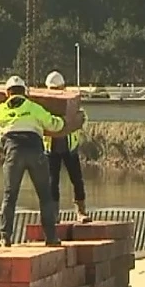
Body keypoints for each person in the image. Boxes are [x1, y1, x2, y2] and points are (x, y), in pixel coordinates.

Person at [0, 75, 65, 247]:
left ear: (7, 93)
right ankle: (51, 237)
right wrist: (65, 120)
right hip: (36, 151)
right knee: (45, 196)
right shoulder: (34, 108)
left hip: (14, 153)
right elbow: (54, 125)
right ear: (25, 93)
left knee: (9, 197)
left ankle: (5, 238)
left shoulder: (2, 109)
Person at [43, 71, 92, 223]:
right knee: (52, 182)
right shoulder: (44, 105)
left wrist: (78, 120)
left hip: (69, 147)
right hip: (50, 149)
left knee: (77, 179)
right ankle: (54, 214)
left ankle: (81, 212)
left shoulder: (72, 102)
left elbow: (83, 118)